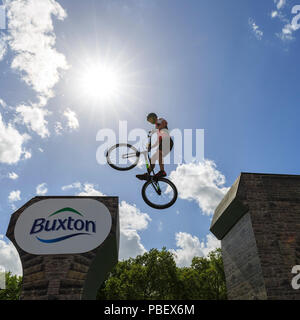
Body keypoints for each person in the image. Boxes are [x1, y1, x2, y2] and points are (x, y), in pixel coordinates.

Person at [136, 113, 173, 180]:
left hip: (167, 141)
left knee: (159, 153)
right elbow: (157, 142)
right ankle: (148, 174)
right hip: (163, 142)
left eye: (150, 120)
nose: (150, 122)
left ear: (153, 117)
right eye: (149, 122)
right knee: (153, 158)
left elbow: (164, 123)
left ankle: (162, 171)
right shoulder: (157, 128)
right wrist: (150, 147)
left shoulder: (160, 120)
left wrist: (156, 129)